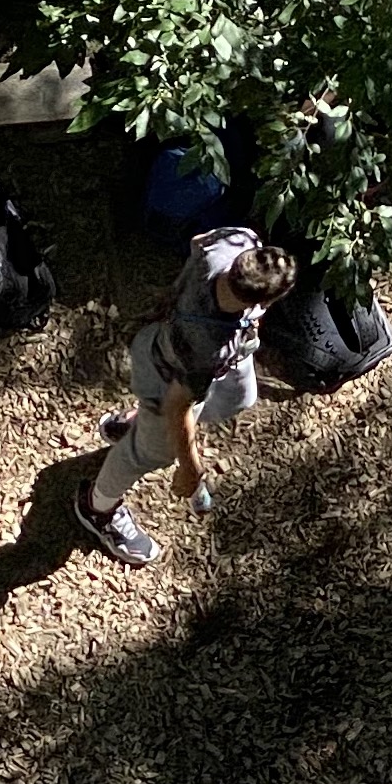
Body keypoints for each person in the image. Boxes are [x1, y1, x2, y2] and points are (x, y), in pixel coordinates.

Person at [85, 221, 298, 567]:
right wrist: (190, 467)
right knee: (148, 454)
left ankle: (136, 425)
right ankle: (97, 507)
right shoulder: (210, 348)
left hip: (169, 341)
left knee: (238, 396)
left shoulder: (236, 242)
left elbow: (197, 241)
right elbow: (177, 405)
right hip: (165, 376)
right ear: (265, 300)